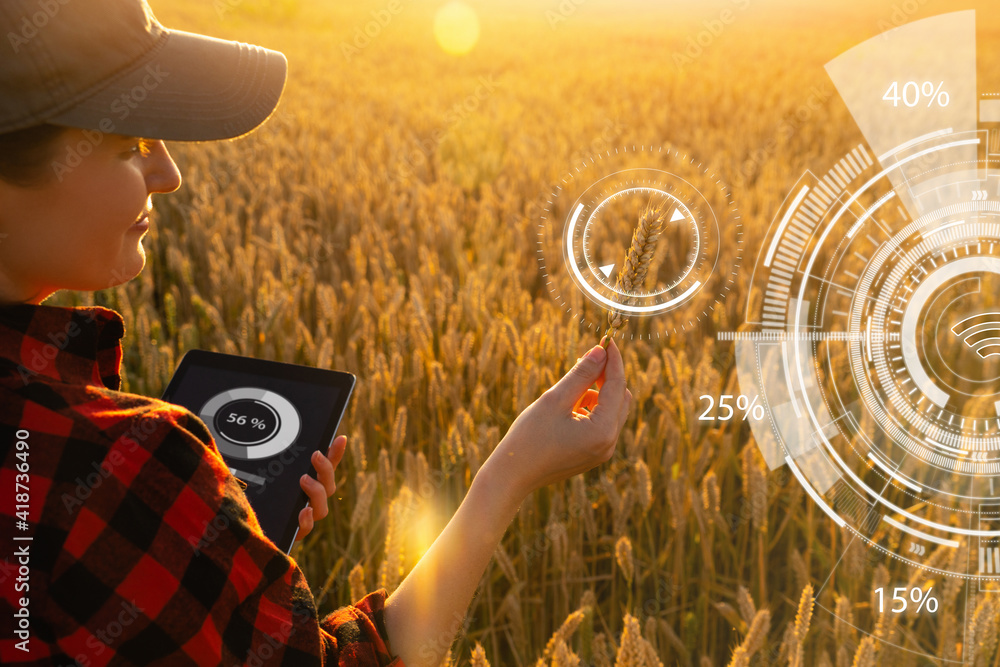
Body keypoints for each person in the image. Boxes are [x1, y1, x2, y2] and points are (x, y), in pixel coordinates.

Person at [0, 1, 632, 665]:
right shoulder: (123, 462)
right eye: (130, 144)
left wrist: (210, 539)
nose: (169, 173)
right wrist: (510, 473)